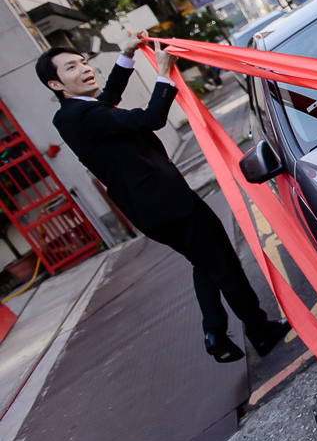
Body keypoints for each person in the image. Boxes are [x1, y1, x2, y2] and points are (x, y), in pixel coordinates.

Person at [36, 32, 290, 363]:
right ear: (56, 85)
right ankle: (260, 331)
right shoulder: (79, 116)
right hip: (168, 205)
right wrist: (163, 73)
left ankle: (216, 332)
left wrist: (126, 53)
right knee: (222, 261)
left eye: (84, 62)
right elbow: (151, 119)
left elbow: (109, 95)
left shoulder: (77, 112)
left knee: (205, 262)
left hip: (154, 209)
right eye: (71, 67)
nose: (85, 68)